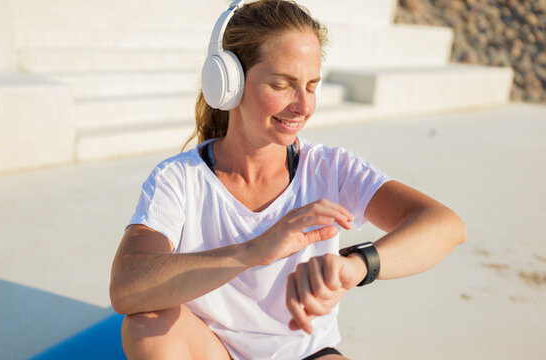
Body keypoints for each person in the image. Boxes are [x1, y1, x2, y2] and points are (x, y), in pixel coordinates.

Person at [109, 0, 467, 359]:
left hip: (306, 352)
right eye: (282, 85)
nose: (303, 105)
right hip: (213, 350)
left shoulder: (331, 169)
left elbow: (445, 226)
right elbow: (127, 287)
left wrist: (354, 266)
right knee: (147, 323)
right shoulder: (179, 179)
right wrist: (254, 251)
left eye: (311, 86)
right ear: (228, 83)